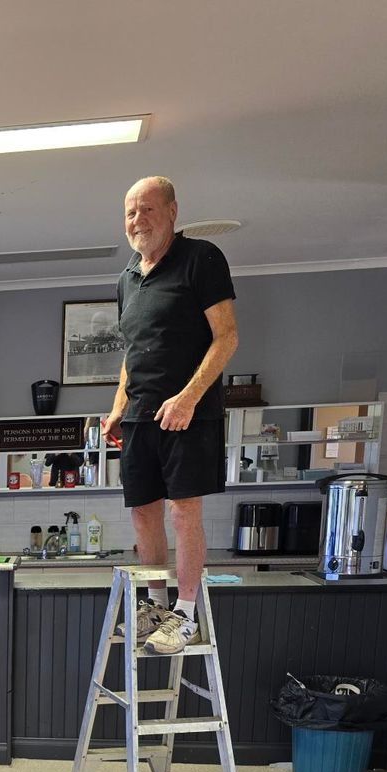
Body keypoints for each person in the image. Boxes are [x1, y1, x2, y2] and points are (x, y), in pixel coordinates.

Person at [104, 176, 239, 655]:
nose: (138, 220)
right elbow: (132, 354)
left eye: (147, 210)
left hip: (187, 414)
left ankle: (186, 613)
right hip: (140, 416)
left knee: (184, 513)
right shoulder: (127, 279)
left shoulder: (200, 259)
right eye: (130, 213)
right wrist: (119, 407)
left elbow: (226, 337)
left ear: (172, 211)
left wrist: (188, 398)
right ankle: (156, 604)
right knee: (143, 512)